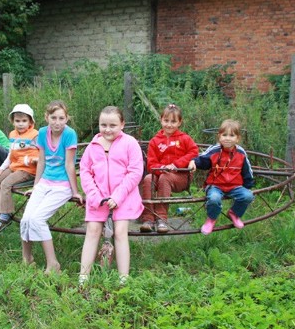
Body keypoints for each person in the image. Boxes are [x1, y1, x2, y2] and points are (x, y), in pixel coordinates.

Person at [78, 106, 144, 286]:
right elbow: (85, 172)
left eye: (113, 125)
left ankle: (123, 278)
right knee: (92, 231)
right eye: (103, 125)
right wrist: (94, 196)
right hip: (98, 199)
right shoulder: (92, 146)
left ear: (122, 124)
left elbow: (135, 172)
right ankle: (83, 276)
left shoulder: (130, 143)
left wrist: (118, 196)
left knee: (120, 232)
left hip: (124, 196)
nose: (107, 129)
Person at [20, 100, 82, 274]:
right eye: (53, 117)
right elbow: (42, 161)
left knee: (37, 219)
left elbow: (70, 165)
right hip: (45, 182)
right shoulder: (41, 133)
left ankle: (53, 263)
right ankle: (27, 258)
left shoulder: (69, 134)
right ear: (47, 117)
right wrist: (36, 185)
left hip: (62, 185)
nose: (57, 122)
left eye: (61, 118)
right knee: (26, 219)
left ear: (67, 119)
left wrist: (75, 192)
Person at [188, 119, 255, 235]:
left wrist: (248, 185)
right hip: (216, 185)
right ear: (219, 136)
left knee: (248, 196)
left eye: (231, 135)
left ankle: (234, 213)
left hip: (235, 186)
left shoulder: (241, 153)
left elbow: (247, 170)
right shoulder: (215, 150)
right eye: (224, 135)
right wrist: (194, 162)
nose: (227, 138)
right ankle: (211, 219)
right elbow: (203, 159)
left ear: (238, 138)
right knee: (214, 199)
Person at [140, 104, 199, 233]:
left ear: (179, 122)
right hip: (161, 173)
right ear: (161, 120)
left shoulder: (184, 139)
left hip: (181, 177)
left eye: (173, 121)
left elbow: (194, 152)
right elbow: (151, 164)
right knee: (148, 178)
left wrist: (177, 165)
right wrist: (162, 168)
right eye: (166, 121)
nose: (169, 125)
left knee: (165, 178)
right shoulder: (155, 141)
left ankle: (161, 219)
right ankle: (148, 219)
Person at [0, 104, 39, 233]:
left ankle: (5, 215)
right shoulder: (13, 134)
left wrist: (31, 160)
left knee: (6, 184)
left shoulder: (35, 135)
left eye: (24, 121)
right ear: (13, 121)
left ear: (30, 121)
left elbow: (40, 152)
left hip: (28, 169)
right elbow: (11, 153)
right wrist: (3, 167)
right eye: (17, 121)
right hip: (14, 166)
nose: (20, 124)